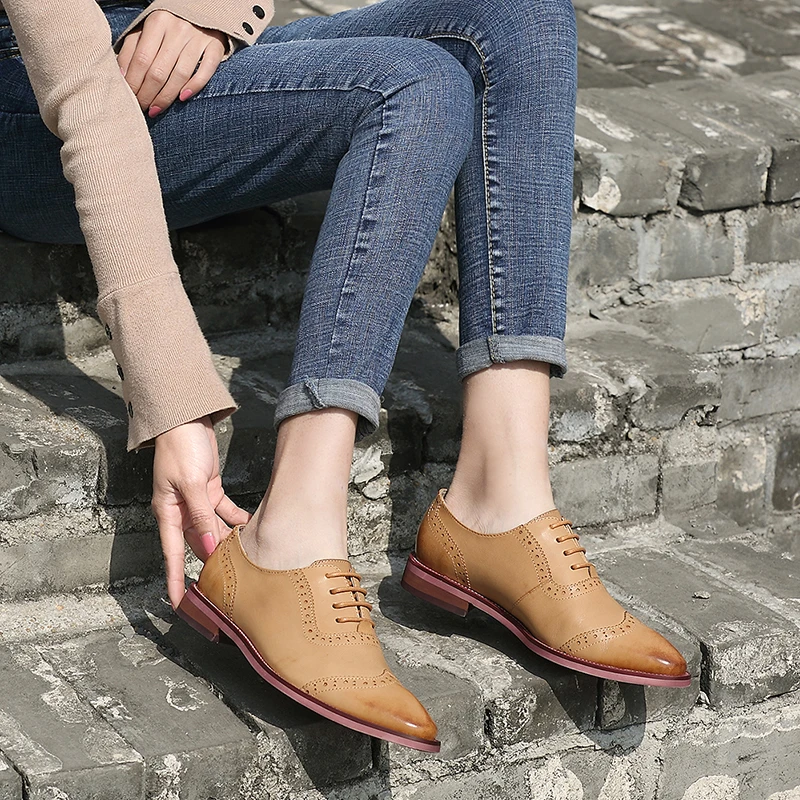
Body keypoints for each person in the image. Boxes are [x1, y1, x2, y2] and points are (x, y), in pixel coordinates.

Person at [0, 0, 689, 754]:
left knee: (521, 14)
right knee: (417, 85)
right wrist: (170, 395)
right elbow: (85, 96)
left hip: (172, 58)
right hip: (38, 103)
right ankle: (288, 538)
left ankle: (503, 499)